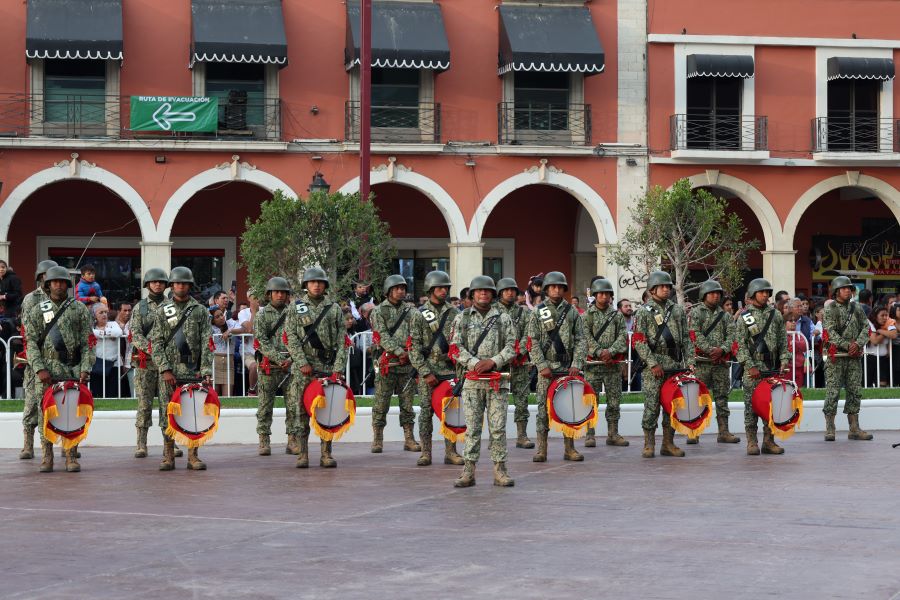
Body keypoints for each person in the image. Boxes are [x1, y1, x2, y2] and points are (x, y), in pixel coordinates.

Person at [24, 266, 95, 473]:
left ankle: (71, 456)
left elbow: (87, 343)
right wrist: (38, 369)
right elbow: (31, 344)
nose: (59, 285)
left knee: (71, 413)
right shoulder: (38, 310)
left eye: (62, 282)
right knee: (45, 413)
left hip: (72, 369)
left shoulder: (79, 309)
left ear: (68, 285)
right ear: (47, 284)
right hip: (46, 370)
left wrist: (85, 368)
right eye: (54, 282)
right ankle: (47, 457)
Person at [450, 276, 516, 488]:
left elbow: (512, 346)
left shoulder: (503, 318)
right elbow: (455, 346)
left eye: (487, 291)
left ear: (493, 294)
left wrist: (493, 362)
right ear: (472, 294)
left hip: (497, 382)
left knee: (498, 428)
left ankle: (500, 470)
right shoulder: (462, 318)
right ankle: (468, 471)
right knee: (472, 429)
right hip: (472, 382)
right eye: (479, 291)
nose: (483, 294)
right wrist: (474, 362)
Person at [150, 266, 213, 471]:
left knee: (193, 415)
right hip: (170, 373)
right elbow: (156, 343)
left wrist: (205, 370)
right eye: (177, 283)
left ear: (190, 285)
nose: (180, 286)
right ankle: (168, 455)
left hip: (193, 371)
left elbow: (207, 342)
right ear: (172, 285)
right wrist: (165, 369)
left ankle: (193, 456)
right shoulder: (162, 311)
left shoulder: (200, 311)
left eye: (184, 283)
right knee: (167, 413)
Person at [286, 267, 348, 468]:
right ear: (306, 285)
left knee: (327, 411)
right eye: (312, 282)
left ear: (325, 285)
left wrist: (339, 366)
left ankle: (326, 453)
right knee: (301, 411)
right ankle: (303, 453)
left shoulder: (335, 309)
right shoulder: (296, 308)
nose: (316, 285)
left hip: (328, 367)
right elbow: (291, 337)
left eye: (320, 282)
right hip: (304, 369)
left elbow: (342, 340)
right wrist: (302, 361)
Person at [524, 271, 586, 462]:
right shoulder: (537, 311)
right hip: (546, 370)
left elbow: (581, 340)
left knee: (569, 408)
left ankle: (570, 448)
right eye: (553, 287)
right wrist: (541, 365)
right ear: (546, 289)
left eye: (560, 287)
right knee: (543, 409)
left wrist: (576, 363)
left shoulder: (572, 312)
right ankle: (542, 449)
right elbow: (531, 341)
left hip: (568, 368)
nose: (556, 290)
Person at [633, 271, 695, 458]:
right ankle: (648, 444)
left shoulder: (677, 310)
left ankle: (668, 443)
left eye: (668, 286)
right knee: (652, 406)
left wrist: (690, 362)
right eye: (662, 286)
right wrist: (652, 363)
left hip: (675, 365)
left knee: (672, 406)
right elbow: (639, 341)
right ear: (652, 289)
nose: (666, 289)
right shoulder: (643, 312)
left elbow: (686, 338)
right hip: (654, 367)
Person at [408, 270, 463, 467]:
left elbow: (460, 343)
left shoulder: (455, 313)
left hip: (450, 371)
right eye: (439, 287)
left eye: (446, 288)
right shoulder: (418, 314)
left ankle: (451, 451)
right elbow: (412, 347)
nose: (443, 291)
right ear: (430, 289)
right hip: (428, 371)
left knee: (452, 412)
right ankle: (425, 452)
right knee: (425, 413)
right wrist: (425, 372)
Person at [735, 278, 791, 455]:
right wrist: (749, 365)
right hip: (752, 370)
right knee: (751, 407)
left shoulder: (775, 315)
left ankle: (769, 441)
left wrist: (784, 359)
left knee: (771, 406)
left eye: (767, 292)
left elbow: (783, 341)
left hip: (772, 367)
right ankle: (752, 442)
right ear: (752, 294)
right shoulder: (744, 316)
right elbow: (739, 345)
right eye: (761, 292)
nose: (765, 295)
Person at [131, 268, 182, 460]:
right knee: (144, 404)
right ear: (147, 284)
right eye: (154, 282)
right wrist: (154, 350)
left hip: (166, 366)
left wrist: (164, 355)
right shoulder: (140, 308)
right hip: (145, 363)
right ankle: (141, 444)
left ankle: (170, 443)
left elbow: (177, 332)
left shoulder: (172, 307)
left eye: (161, 281)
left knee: (167, 404)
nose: (157, 284)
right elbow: (135, 334)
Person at [369, 274, 420, 453]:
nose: (401, 291)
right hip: (386, 365)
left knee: (407, 404)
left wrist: (410, 353)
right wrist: (399, 352)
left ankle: (409, 438)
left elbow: (417, 334)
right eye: (397, 288)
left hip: (407, 366)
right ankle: (377, 439)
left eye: (403, 288)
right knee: (381, 403)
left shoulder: (412, 311)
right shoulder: (378, 311)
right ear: (388, 290)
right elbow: (380, 334)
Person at [687, 280, 740, 444]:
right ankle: (693, 432)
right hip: (702, 363)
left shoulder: (725, 315)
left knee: (722, 398)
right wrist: (711, 349)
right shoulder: (696, 313)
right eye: (712, 293)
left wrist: (722, 350)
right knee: (697, 398)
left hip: (720, 364)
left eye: (718, 293)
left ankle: (723, 431)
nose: (716, 296)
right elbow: (694, 334)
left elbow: (732, 335)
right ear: (704, 295)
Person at [822, 277, 873, 441]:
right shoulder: (830, 309)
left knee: (854, 391)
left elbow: (866, 327)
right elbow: (829, 332)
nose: (848, 291)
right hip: (836, 357)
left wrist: (857, 344)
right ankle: (830, 428)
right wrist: (846, 345)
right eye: (844, 288)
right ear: (836, 291)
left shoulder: (856, 308)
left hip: (854, 357)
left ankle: (854, 428)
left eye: (850, 289)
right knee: (833, 392)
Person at [582, 278, 629, 448]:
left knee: (614, 400)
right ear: (594, 295)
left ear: (611, 296)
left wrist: (611, 352)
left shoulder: (617, 316)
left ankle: (613, 433)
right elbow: (584, 337)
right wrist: (599, 352)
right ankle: (589, 434)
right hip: (593, 366)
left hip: (612, 365)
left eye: (607, 293)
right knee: (590, 400)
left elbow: (623, 336)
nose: (604, 296)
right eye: (600, 293)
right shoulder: (587, 315)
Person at [254, 277, 298, 457]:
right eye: (276, 292)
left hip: (291, 367)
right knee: (265, 406)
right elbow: (261, 341)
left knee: (294, 405)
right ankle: (264, 440)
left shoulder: (294, 313)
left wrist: (293, 359)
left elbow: (299, 339)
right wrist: (279, 359)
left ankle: (292, 440)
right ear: (269, 294)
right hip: (269, 367)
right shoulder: (261, 315)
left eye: (283, 292)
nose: (280, 295)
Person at [18, 260, 57, 460]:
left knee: (61, 403)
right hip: (36, 360)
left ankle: (69, 444)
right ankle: (28, 444)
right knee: (32, 403)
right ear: (42, 277)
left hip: (59, 360)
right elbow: (28, 330)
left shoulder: (64, 299)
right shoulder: (31, 299)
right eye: (49, 276)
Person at [495, 277, 534, 449]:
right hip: (499, 363)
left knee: (522, 399)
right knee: (497, 401)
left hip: (520, 362)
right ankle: (497, 437)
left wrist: (521, 352)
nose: (510, 293)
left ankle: (522, 435)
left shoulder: (524, 312)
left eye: (513, 290)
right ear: (500, 292)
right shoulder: (493, 311)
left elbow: (529, 333)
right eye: (506, 290)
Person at [90, 303, 124, 398]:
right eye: (101, 312)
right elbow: (91, 333)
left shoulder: (113, 324)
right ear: (94, 315)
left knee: (112, 392)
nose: (104, 315)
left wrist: (102, 334)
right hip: (97, 364)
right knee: (97, 392)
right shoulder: (92, 326)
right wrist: (108, 334)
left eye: (106, 312)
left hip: (114, 365)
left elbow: (118, 332)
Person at [864, 305, 896, 388]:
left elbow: (893, 334)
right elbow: (874, 340)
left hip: (883, 359)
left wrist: (880, 330)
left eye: (886, 315)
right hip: (870, 358)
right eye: (882, 315)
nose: (885, 318)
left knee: (883, 384)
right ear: (875, 316)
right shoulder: (869, 323)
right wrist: (885, 331)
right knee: (867, 384)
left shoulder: (890, 322)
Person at [209, 307, 235, 397]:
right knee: (214, 397)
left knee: (227, 396)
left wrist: (230, 330)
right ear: (212, 320)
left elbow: (244, 329)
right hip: (215, 362)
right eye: (217, 317)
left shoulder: (230, 323)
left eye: (221, 314)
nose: (221, 317)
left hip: (229, 363)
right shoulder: (211, 328)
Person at [237, 290, 259, 395]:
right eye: (253, 297)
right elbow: (250, 329)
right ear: (248, 298)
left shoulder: (265, 310)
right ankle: (251, 391)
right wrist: (254, 311)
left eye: (258, 296)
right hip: (248, 351)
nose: (256, 299)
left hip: (263, 350)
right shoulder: (243, 312)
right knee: (254, 366)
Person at [115, 301, 133, 397]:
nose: (127, 313)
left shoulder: (134, 323)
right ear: (119, 311)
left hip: (129, 361)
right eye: (124, 310)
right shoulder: (113, 324)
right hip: (115, 362)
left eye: (129, 310)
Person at [785, 317, 808, 389]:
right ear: (784, 323)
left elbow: (804, 346)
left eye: (795, 321)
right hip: (786, 367)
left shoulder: (799, 334)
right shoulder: (782, 335)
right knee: (786, 389)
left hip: (799, 367)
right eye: (790, 320)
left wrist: (794, 342)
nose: (794, 322)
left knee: (798, 389)